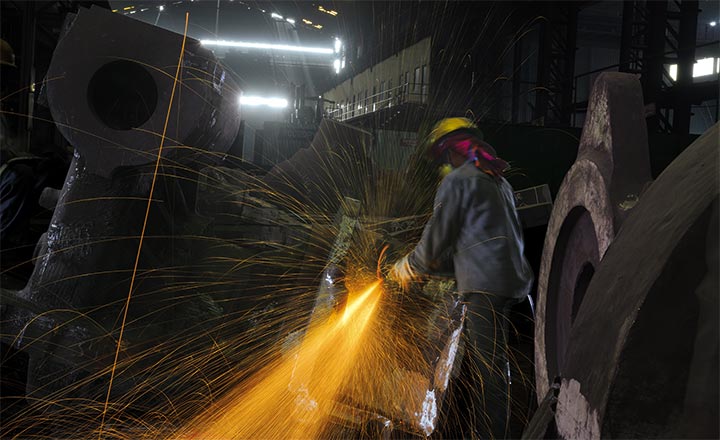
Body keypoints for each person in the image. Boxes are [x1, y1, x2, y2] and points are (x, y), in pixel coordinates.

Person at [389, 117, 533, 439]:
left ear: (450, 151)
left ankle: (491, 435)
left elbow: (438, 234)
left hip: (485, 285)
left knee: (488, 370)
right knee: (490, 360)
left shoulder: (458, 180)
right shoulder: (497, 180)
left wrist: (410, 265)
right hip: (510, 280)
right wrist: (442, 270)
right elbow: (480, 237)